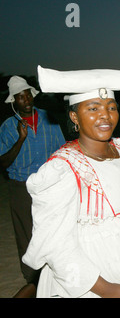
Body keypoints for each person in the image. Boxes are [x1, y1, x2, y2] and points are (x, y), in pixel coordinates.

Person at [22, 65, 120, 298]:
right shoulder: (63, 169)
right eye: (93, 108)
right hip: (91, 282)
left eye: (111, 107)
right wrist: (107, 289)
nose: (105, 115)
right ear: (74, 116)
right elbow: (56, 243)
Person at [0, 75, 65, 297]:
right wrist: (20, 139)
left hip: (49, 185)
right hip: (21, 187)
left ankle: (56, 272)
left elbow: (61, 151)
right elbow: (3, 162)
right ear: (13, 101)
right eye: (20, 97)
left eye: (28, 94)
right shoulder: (8, 127)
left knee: (52, 228)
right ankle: (32, 279)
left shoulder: (48, 118)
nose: (26, 100)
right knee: (25, 233)